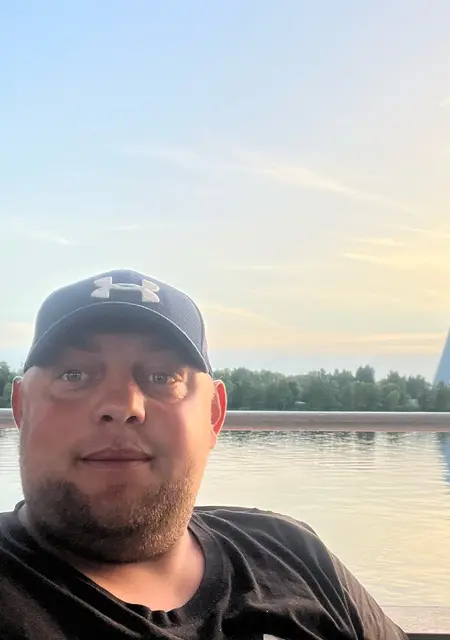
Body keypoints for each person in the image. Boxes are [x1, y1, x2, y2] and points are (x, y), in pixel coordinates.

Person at [0, 269, 406, 640]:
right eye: (74, 374)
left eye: (161, 376)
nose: (122, 406)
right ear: (22, 408)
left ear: (213, 414)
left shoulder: (292, 552)